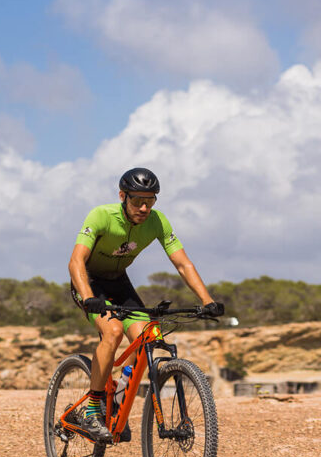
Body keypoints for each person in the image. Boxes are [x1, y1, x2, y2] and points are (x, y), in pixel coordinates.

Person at [68, 168, 223, 442]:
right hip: (90, 283)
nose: (143, 208)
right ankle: (92, 408)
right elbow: (76, 261)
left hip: (119, 282)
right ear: (122, 196)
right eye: (137, 201)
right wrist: (89, 296)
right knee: (113, 332)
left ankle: (117, 397)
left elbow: (183, 263)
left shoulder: (156, 221)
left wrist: (207, 301)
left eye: (150, 202)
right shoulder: (101, 216)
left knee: (149, 336)